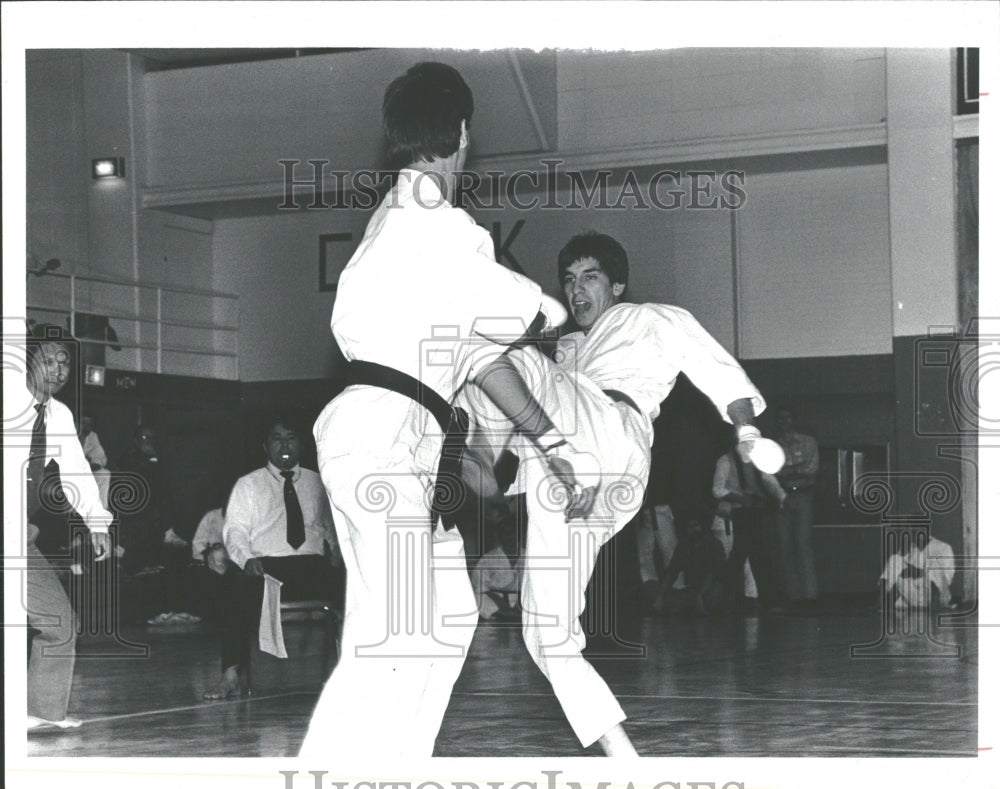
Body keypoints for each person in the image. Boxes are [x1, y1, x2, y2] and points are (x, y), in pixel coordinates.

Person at [299, 62, 591, 759]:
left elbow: (478, 359)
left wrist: (549, 439)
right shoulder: (438, 220)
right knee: (392, 628)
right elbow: (520, 311)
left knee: (452, 612)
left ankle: (398, 762)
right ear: (462, 133)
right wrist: (553, 311)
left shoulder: (405, 228)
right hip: (379, 431)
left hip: (405, 437)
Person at [463, 230, 766, 754]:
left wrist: (746, 431)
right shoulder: (565, 352)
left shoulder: (648, 317)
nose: (577, 291)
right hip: (574, 484)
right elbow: (522, 410)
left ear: (618, 284)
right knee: (545, 629)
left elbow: (721, 374)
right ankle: (621, 753)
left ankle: (489, 457)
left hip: (612, 430)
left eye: (590, 277)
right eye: (569, 280)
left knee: (495, 355)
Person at [202, 414, 344, 699]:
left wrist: (340, 557)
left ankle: (351, 672)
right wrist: (245, 560)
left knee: (355, 586)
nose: (284, 445)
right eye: (276, 439)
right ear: (265, 446)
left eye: (291, 438)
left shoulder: (320, 483)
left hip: (310, 565)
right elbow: (235, 532)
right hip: (266, 567)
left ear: (301, 445)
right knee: (235, 583)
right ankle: (231, 674)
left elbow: (333, 530)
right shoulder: (248, 485)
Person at [20, 324, 112, 731]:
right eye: (48, 358)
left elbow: (75, 469)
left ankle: (40, 712)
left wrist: (96, 522)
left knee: (59, 621)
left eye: (65, 362)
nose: (57, 369)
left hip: (19, 536)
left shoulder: (58, 414)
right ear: (28, 359)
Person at [713, 447, 786, 614]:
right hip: (740, 512)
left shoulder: (757, 459)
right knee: (747, 554)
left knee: (749, 554)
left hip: (756, 511)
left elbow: (768, 479)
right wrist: (739, 497)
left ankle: (720, 598)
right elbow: (717, 489)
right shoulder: (726, 460)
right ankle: (721, 598)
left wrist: (781, 496)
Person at [772, 406, 820, 610]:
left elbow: (811, 469)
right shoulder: (773, 445)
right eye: (780, 418)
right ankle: (794, 596)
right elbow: (772, 472)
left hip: (803, 495)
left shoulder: (808, 442)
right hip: (782, 497)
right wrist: (793, 470)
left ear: (794, 419)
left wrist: (786, 471)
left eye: (787, 416)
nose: (784, 421)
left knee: (803, 544)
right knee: (785, 546)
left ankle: (810, 596)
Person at [78, 413, 111, 507]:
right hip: (65, 471)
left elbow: (101, 457)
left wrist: (95, 463)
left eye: (89, 424)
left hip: (85, 470)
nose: (86, 427)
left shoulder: (92, 436)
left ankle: (101, 509)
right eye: (83, 423)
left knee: (104, 473)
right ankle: (73, 512)